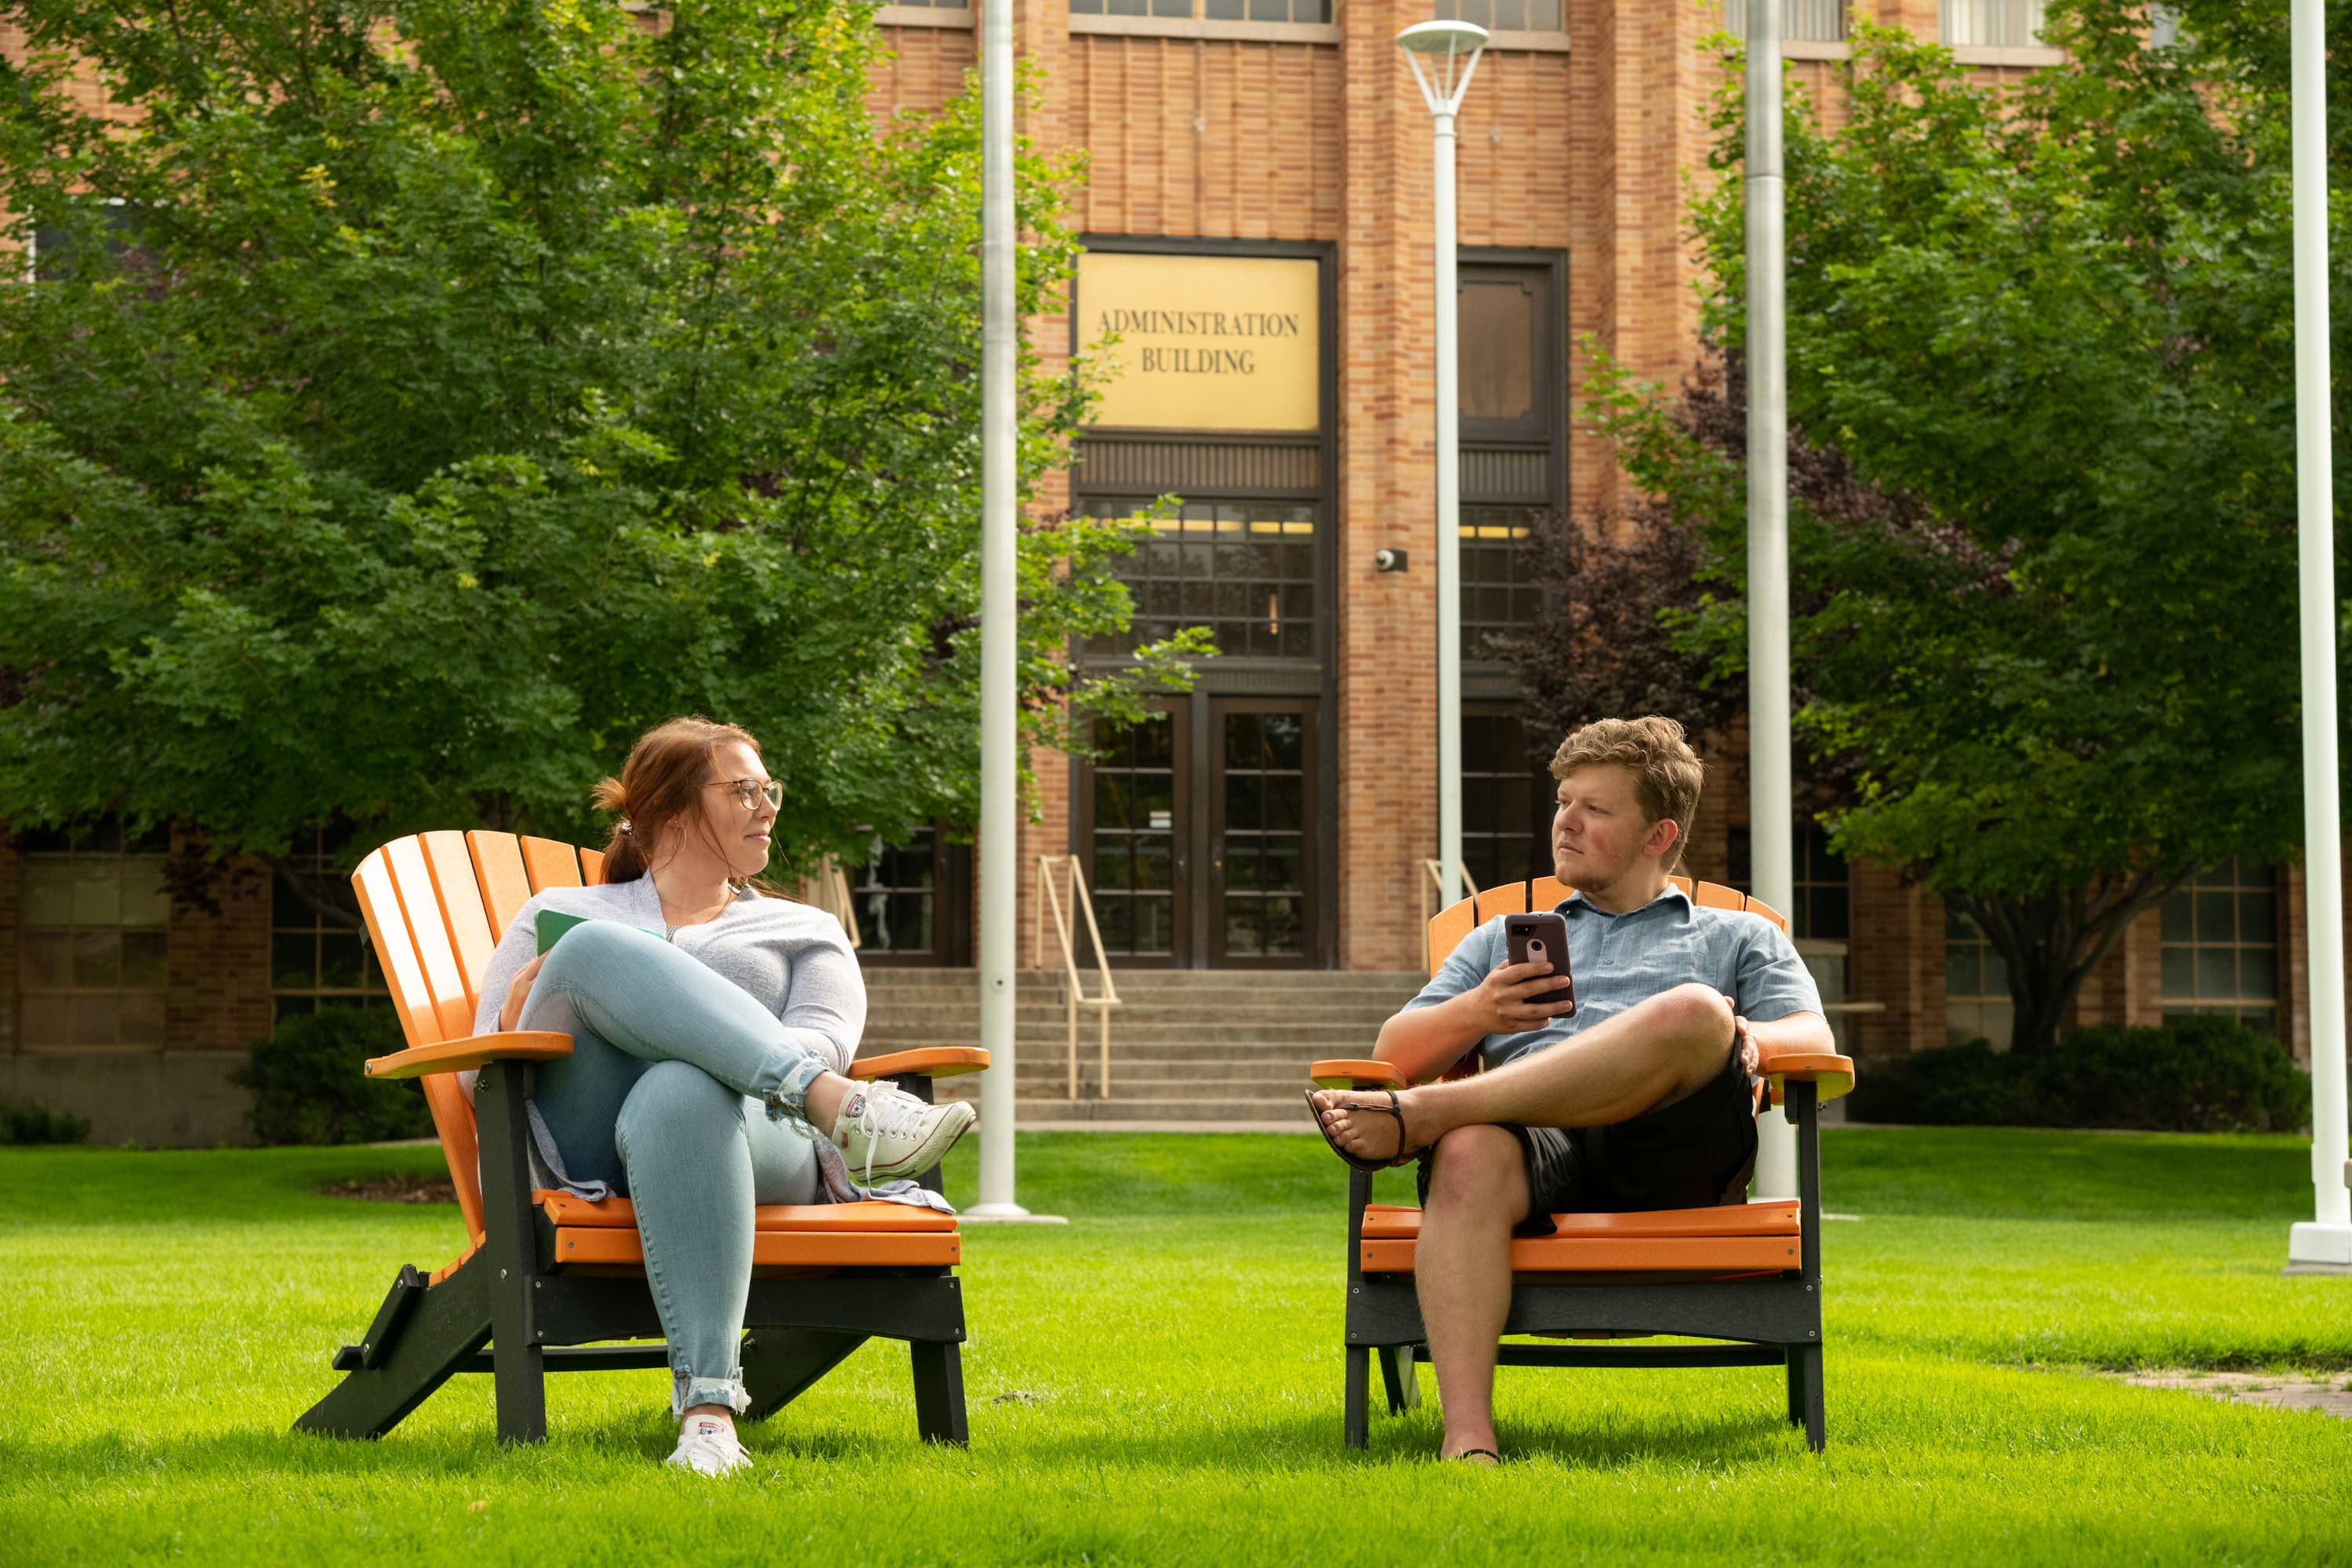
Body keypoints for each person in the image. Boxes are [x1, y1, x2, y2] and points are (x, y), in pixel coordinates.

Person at [1307, 716, 1830, 1466]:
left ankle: (1433, 1117)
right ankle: (1468, 1442)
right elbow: (1394, 1055)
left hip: (1672, 1151)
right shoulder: (1499, 940)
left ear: (1658, 836)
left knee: (1694, 1010)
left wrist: (1747, 1039)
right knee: (1470, 1155)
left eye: (1596, 809)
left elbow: (1815, 1041)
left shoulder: (1734, 937)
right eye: (1562, 801)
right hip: (1533, 1144)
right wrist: (1479, 1011)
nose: (1566, 822)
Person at [469, 716, 976, 1477]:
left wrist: (704, 1046)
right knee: (596, 950)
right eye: (744, 790)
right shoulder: (563, 918)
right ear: (671, 810)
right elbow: (479, 1073)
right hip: (582, 1146)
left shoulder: (803, 927)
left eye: (768, 788)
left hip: (756, 1139)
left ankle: (707, 1418)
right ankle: (842, 1110)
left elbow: (825, 1038)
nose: (768, 804)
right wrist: (518, 1012)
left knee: (681, 1087)